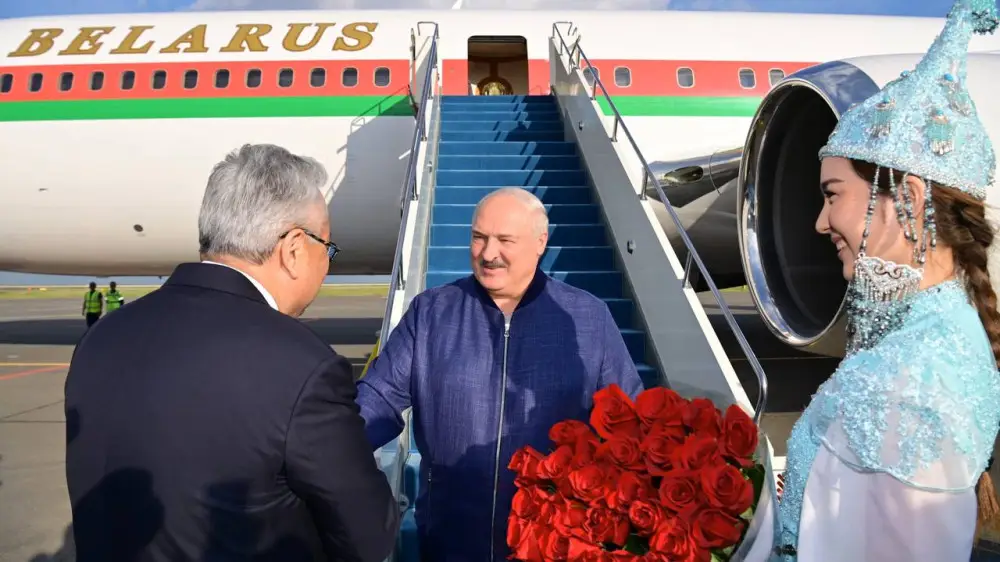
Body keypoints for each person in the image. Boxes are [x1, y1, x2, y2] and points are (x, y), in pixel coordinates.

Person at [64, 143, 399, 562]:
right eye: (327, 248)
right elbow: (369, 536)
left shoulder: (101, 338)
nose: (326, 264)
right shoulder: (303, 365)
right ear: (294, 248)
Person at [773, 1, 1000, 560]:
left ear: (909, 200)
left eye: (833, 195)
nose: (820, 222)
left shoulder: (917, 376)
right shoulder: (930, 340)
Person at [357, 186, 644, 562]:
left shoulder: (588, 319)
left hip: (553, 544)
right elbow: (376, 400)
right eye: (479, 237)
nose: (488, 254)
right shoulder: (431, 314)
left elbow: (629, 422)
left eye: (505, 240)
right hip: (450, 540)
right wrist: (317, 447)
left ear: (541, 242)